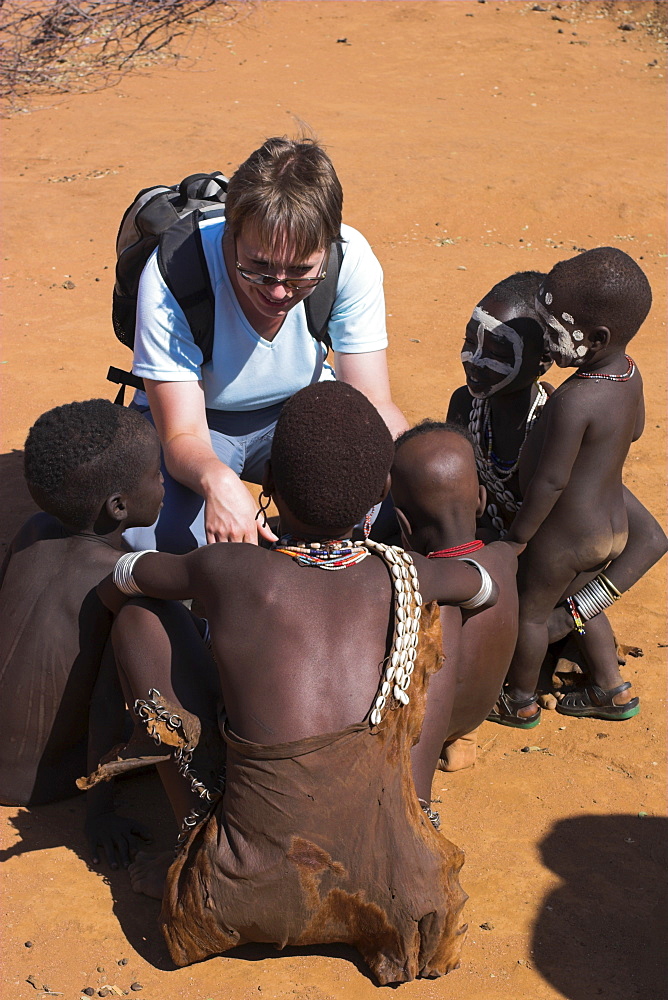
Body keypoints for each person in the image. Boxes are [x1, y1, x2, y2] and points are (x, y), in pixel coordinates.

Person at [87, 381, 509, 985]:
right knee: (432, 609)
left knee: (140, 617)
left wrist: (114, 585)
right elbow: (477, 585)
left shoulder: (229, 569)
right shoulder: (403, 572)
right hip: (394, 886)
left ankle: (193, 834)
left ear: (271, 491)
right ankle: (418, 816)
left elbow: (134, 577)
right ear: (381, 495)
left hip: (237, 887)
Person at [124, 135, 407, 554]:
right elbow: (182, 432)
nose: (278, 292)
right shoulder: (176, 270)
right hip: (197, 420)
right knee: (165, 539)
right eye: (258, 267)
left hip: (299, 412)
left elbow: (372, 402)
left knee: (397, 507)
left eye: (301, 272)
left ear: (328, 246)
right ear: (231, 233)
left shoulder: (352, 259)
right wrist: (220, 482)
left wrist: (412, 468)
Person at [0, 399, 164, 867]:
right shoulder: (118, 577)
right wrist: (99, 812)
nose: (162, 483)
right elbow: (107, 705)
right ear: (118, 506)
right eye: (156, 475)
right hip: (48, 782)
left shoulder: (32, 532)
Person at [499, 247, 651, 725]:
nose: (546, 339)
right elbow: (637, 430)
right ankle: (612, 689)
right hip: (611, 526)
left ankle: (519, 699)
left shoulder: (574, 401)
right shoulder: (628, 375)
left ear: (599, 337)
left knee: (533, 614)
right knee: (581, 602)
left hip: (565, 536)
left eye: (556, 330)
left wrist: (520, 536)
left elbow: (551, 479)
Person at [391, 421, 520, 781]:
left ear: (403, 523)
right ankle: (461, 741)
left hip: (422, 732)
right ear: (481, 501)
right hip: (473, 715)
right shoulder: (503, 560)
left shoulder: (421, 580)